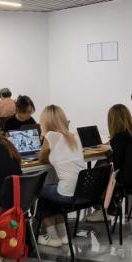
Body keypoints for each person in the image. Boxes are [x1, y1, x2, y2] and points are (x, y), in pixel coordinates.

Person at [36, 105, 85, 247]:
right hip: (83, 191)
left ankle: (53, 237)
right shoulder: (74, 136)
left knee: (39, 191)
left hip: (67, 193)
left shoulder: (51, 136)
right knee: (51, 194)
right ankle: (63, 235)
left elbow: (41, 158)